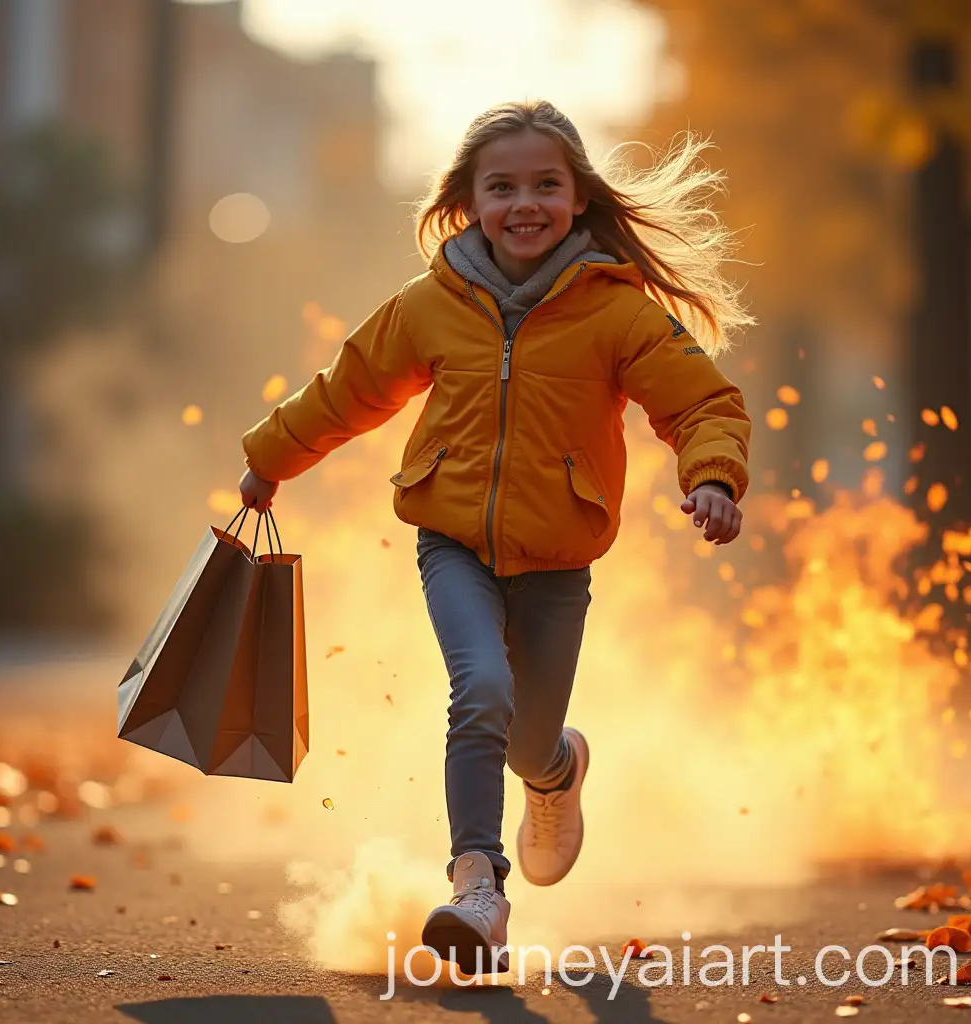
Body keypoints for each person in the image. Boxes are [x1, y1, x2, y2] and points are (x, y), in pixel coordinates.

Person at [238, 100, 753, 977]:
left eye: (546, 185)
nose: (525, 203)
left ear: (579, 198)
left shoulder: (616, 312)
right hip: (452, 542)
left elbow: (701, 400)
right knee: (479, 689)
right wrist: (272, 455)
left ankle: (554, 773)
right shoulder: (431, 304)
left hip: (559, 560)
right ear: (468, 202)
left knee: (525, 735)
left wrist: (711, 475)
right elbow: (349, 386)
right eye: (502, 186)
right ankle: (478, 884)